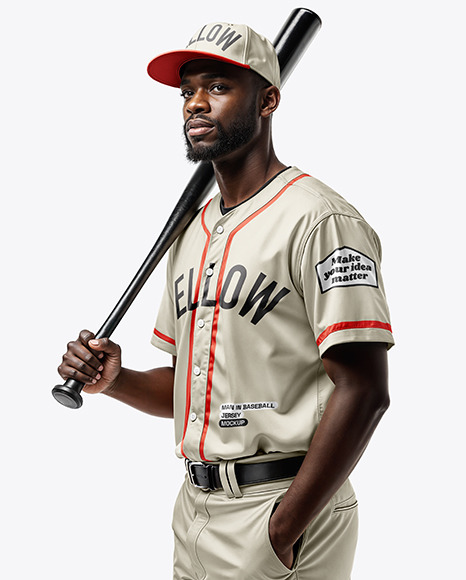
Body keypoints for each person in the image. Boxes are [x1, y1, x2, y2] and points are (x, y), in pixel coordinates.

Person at [58, 21, 394, 579]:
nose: (195, 103)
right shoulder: (189, 231)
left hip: (283, 501)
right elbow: (187, 391)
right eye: (187, 91)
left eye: (217, 87)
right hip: (194, 505)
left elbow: (364, 391)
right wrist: (113, 381)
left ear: (268, 100)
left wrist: (283, 529)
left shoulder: (321, 221)